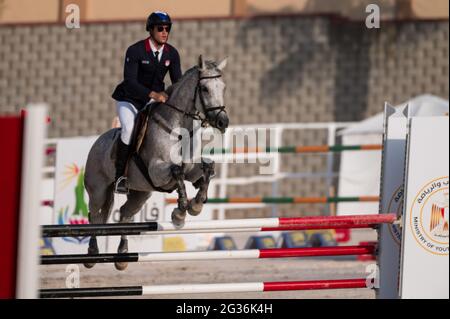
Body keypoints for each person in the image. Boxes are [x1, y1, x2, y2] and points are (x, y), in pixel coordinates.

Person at [111, 11, 182, 194]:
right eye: (160, 28)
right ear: (151, 30)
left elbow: (178, 84)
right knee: (128, 128)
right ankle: (121, 176)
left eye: (167, 29)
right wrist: (154, 94)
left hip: (152, 102)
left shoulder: (171, 54)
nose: (165, 32)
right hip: (129, 100)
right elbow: (130, 82)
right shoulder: (135, 51)